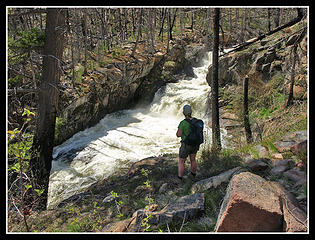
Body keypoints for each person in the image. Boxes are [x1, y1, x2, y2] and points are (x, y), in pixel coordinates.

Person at [176, 104, 199, 181]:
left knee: (181, 161)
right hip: (195, 143)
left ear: (183, 113)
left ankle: (180, 178)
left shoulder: (183, 123)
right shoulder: (196, 121)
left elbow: (178, 134)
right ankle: (193, 174)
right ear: (191, 112)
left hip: (186, 144)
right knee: (193, 159)